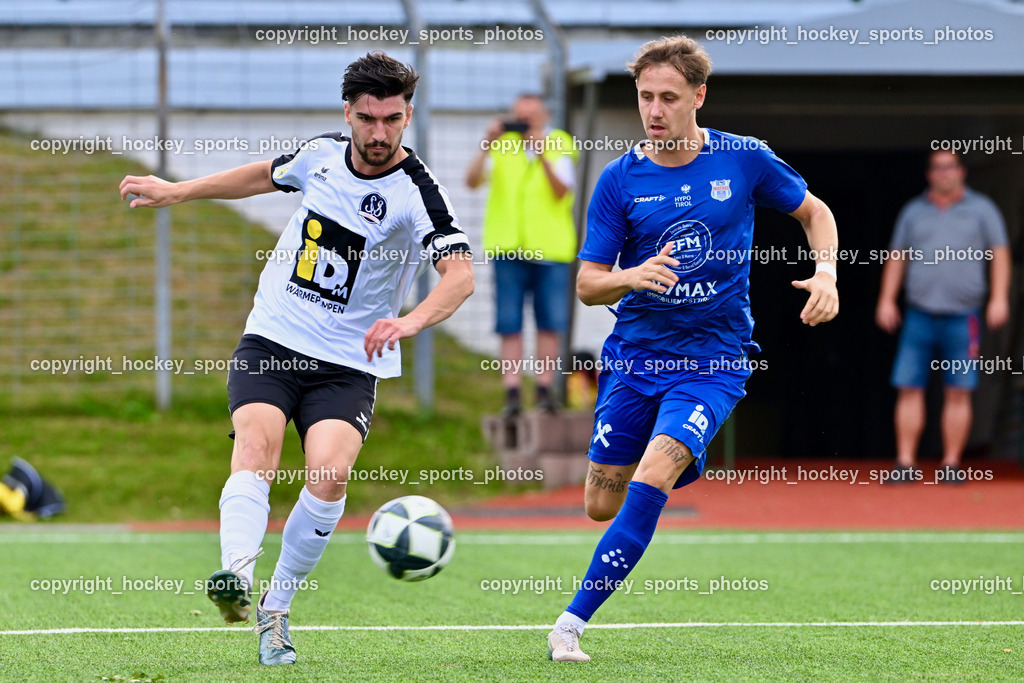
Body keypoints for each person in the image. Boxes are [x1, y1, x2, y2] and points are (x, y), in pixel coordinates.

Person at [118, 51, 474, 666]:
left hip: (348, 360)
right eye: (368, 119)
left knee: (329, 475)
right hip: (274, 338)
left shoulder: (419, 193)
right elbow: (263, 175)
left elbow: (460, 275)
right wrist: (178, 191)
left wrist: (410, 321)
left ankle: (276, 609)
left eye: (392, 119)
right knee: (256, 448)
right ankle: (235, 577)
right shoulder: (320, 155)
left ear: (408, 115)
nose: (380, 133)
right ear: (349, 113)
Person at [545, 35, 839, 663]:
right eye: (645, 96)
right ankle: (677, 455)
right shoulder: (620, 180)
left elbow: (816, 213)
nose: (654, 110)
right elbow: (588, 284)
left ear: (698, 97)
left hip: (714, 358)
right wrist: (631, 275)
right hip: (636, 356)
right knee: (601, 503)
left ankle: (570, 623)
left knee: (654, 471)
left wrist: (828, 273)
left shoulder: (744, 159)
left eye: (668, 98)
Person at [875, 150, 1010, 484]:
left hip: (964, 316)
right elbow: (897, 256)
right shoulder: (913, 212)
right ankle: (905, 463)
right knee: (908, 386)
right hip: (919, 313)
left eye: (950, 167)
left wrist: (999, 298)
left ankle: (951, 464)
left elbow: (1000, 254)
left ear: (961, 171)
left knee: (959, 390)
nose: (944, 174)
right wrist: (886, 299)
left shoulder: (983, 210)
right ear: (929, 174)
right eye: (937, 168)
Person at [465, 94, 578, 416]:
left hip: (552, 251)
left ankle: (544, 389)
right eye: (519, 117)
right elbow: (471, 181)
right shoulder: (501, 146)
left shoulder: (559, 142)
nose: (525, 123)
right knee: (509, 322)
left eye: (531, 117)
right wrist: (486, 143)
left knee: (550, 323)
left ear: (545, 115)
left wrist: (542, 155)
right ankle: (512, 392)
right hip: (509, 249)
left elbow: (562, 190)